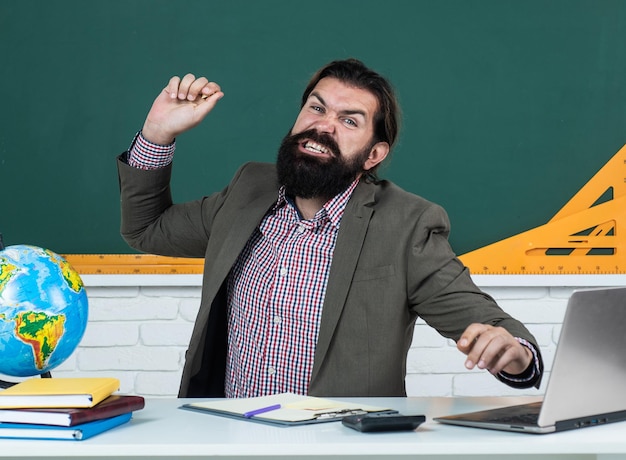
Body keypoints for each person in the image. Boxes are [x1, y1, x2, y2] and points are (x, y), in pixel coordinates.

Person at [117, 58, 543, 398]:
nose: (323, 125)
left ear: (374, 154)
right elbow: (147, 229)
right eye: (317, 108)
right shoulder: (249, 187)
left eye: (349, 120)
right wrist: (157, 134)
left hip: (339, 446)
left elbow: (486, 320)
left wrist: (515, 353)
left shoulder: (407, 224)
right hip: (233, 438)